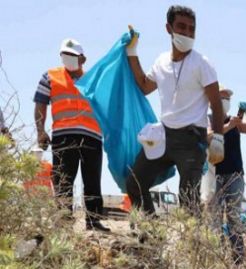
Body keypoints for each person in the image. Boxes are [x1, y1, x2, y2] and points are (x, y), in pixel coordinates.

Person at [124, 5, 225, 217]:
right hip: (163, 136)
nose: (187, 33)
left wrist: (218, 139)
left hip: (191, 140)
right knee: (134, 182)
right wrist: (132, 51)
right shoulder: (161, 62)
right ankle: (151, 236)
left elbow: (216, 104)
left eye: (192, 29)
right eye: (181, 27)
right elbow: (144, 86)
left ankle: (193, 249)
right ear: (168, 28)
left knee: (188, 201)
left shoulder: (202, 63)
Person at [34, 38, 109, 231]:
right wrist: (41, 131)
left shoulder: (93, 79)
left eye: (73, 56)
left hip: (92, 136)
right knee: (63, 180)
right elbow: (40, 104)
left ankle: (93, 221)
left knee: (92, 180)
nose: (68, 59)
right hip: (63, 137)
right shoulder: (49, 76)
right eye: (64, 55)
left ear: (82, 59)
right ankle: (63, 221)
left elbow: (106, 106)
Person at [209, 85, 246, 263]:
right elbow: (208, 136)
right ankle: (217, 256)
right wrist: (227, 127)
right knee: (214, 216)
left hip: (235, 175)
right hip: (215, 175)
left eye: (227, 98)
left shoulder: (234, 121)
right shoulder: (208, 120)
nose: (225, 101)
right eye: (222, 98)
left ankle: (238, 258)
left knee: (234, 216)